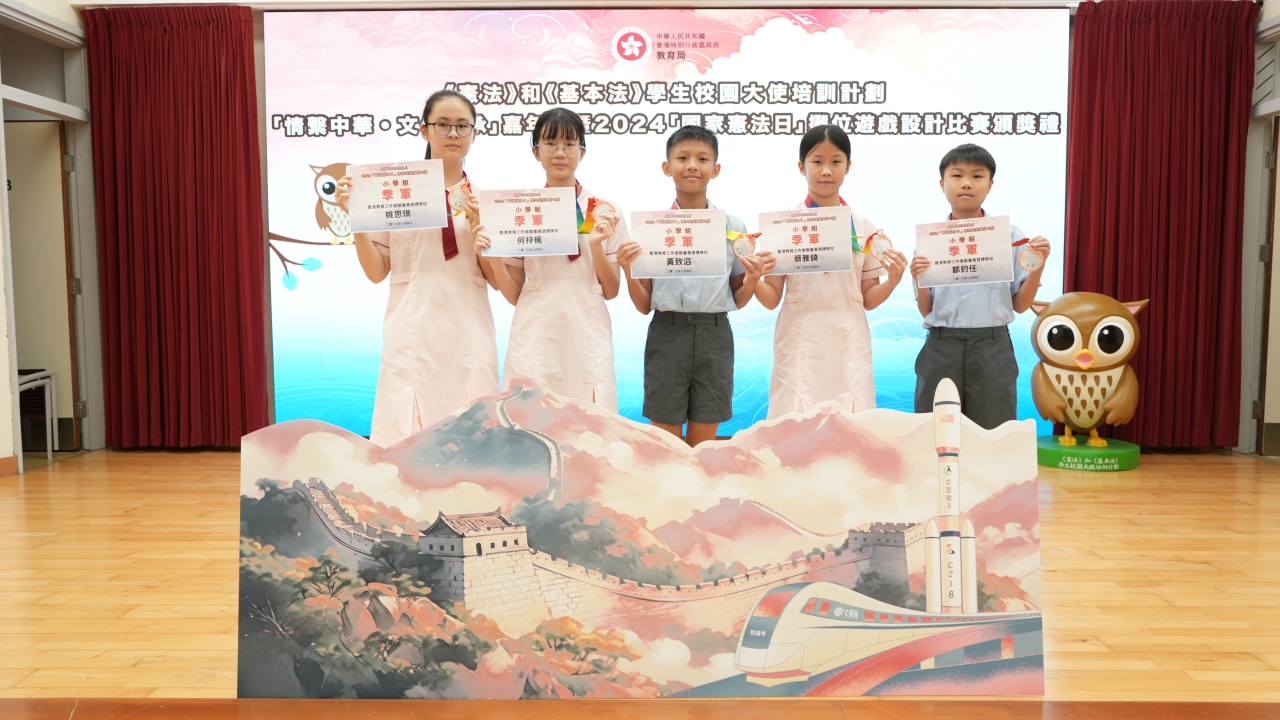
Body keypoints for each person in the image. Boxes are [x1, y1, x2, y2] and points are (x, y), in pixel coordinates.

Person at [336, 89, 500, 448]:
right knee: (405, 437)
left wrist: (481, 234)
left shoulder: (485, 202)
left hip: (468, 330)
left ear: (474, 134)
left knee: (473, 437)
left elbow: (496, 280)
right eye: (443, 124)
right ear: (424, 130)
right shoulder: (392, 192)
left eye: (462, 126)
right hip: (411, 329)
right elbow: (376, 272)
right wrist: (357, 217)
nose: (453, 133)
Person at [615, 126, 773, 446]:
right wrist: (628, 268)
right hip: (667, 334)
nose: (692, 166)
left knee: (703, 450)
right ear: (666, 166)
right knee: (666, 449)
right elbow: (644, 305)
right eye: (682, 158)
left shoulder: (734, 228)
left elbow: (738, 298)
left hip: (715, 337)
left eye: (702, 159)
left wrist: (753, 278)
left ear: (715, 169)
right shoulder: (651, 229)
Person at [472, 108, 626, 409]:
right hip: (535, 330)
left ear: (582, 151)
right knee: (530, 417)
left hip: (586, 329)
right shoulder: (519, 210)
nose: (560, 152)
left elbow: (611, 290)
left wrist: (596, 246)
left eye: (569, 144)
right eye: (550, 144)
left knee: (590, 420)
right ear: (536, 151)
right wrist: (493, 260)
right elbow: (515, 295)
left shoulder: (605, 210)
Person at [755, 124, 909, 418]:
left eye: (836, 161)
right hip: (799, 343)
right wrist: (752, 278)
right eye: (817, 161)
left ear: (848, 166)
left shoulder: (864, 228)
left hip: (847, 343)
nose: (826, 170)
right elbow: (771, 297)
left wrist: (894, 280)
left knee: (851, 425)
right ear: (801, 167)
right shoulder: (783, 226)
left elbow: (869, 298)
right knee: (796, 427)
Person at [909, 143, 1052, 429]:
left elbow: (1020, 305)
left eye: (977, 176)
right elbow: (926, 311)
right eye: (957, 175)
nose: (966, 183)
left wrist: (1039, 265)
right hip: (941, 346)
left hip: (992, 347)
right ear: (942, 184)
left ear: (990, 185)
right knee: (933, 431)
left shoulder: (1010, 236)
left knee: (993, 431)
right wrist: (919, 279)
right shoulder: (931, 241)